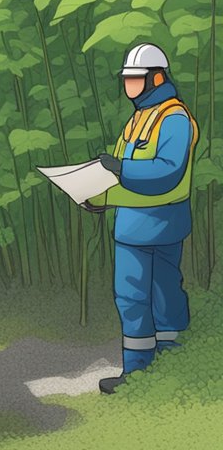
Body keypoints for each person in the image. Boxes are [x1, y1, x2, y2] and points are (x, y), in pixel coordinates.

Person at [85, 44, 196, 395]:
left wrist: (120, 168)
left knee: (164, 295)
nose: (129, 87)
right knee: (131, 298)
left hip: (163, 224)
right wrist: (98, 196)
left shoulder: (175, 119)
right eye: (127, 80)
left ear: (157, 78)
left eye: (135, 80)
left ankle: (174, 363)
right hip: (132, 227)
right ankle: (136, 372)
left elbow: (167, 173)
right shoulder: (136, 119)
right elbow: (115, 172)